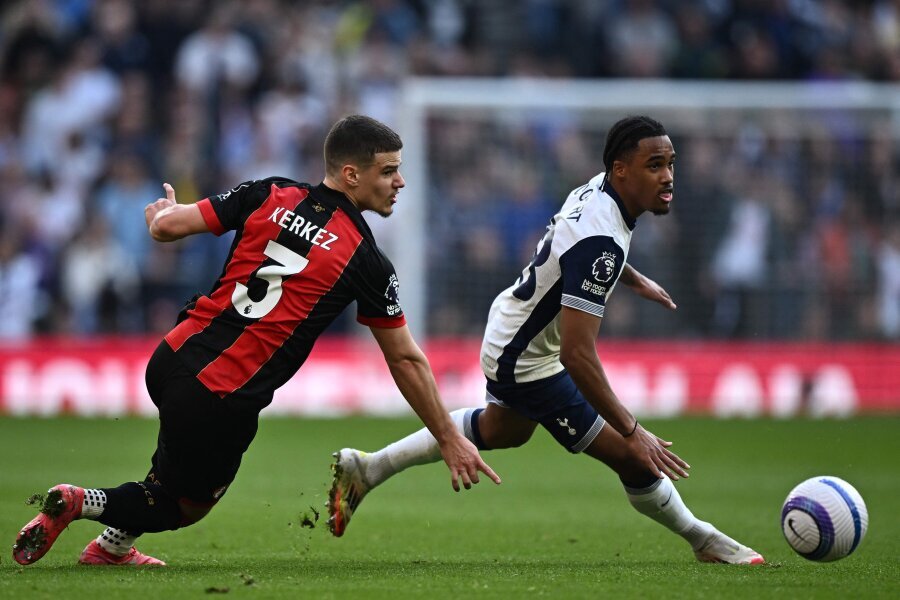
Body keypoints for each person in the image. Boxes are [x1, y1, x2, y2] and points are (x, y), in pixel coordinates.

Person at [12, 114, 500, 567]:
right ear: (351, 174)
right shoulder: (365, 260)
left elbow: (166, 227)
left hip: (174, 355)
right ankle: (81, 501)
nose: (400, 182)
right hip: (222, 395)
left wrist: (162, 213)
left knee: (172, 462)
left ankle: (111, 549)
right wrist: (447, 436)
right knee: (182, 505)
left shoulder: (269, 191)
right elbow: (406, 360)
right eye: (389, 171)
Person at [327, 115, 765, 565]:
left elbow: (569, 245)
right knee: (634, 458)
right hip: (526, 357)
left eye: (671, 163)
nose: (668, 176)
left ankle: (369, 467)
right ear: (621, 171)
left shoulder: (597, 191)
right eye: (654, 165)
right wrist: (633, 429)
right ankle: (704, 539)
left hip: (512, 327)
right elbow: (577, 353)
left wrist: (629, 278)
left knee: (504, 430)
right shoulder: (601, 241)